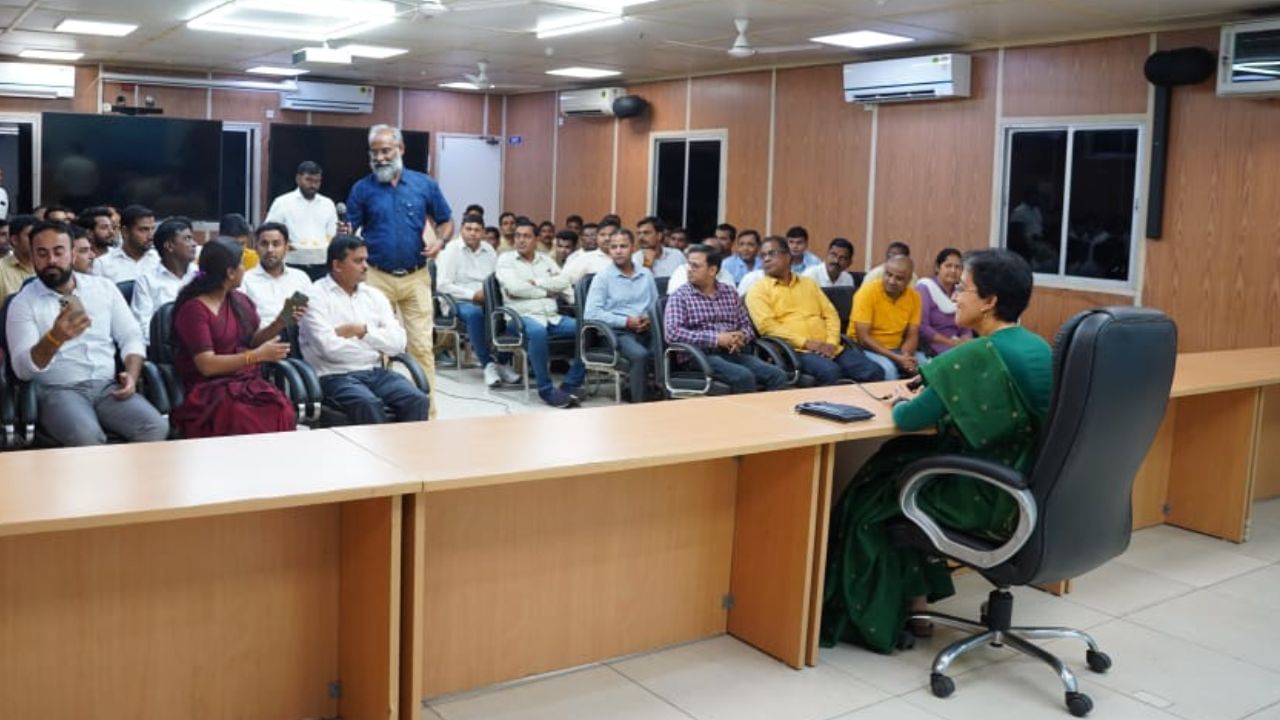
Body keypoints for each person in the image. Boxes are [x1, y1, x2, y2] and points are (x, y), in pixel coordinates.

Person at [821, 249, 1051, 654]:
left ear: (989, 301)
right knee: (902, 467)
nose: (955, 297)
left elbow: (908, 417)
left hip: (985, 493)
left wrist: (905, 400)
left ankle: (874, 621)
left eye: (963, 288)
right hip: (1029, 485)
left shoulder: (978, 355)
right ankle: (919, 606)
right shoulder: (1039, 347)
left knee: (874, 496)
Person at [5, 221, 169, 446]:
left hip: (107, 387)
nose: (51, 260)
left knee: (155, 427)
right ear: (32, 257)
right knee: (88, 438)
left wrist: (131, 375)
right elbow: (22, 370)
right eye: (42, 253)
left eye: (58, 252)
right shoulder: (23, 303)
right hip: (57, 391)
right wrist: (54, 338)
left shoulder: (103, 289)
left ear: (73, 253)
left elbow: (131, 336)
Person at [344, 123, 453, 419]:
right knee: (378, 348)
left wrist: (440, 241)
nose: (380, 158)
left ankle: (427, 415)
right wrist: (344, 236)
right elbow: (349, 231)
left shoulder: (424, 185)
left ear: (401, 149)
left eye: (386, 151)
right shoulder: (362, 189)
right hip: (376, 276)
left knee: (422, 347)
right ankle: (384, 413)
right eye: (374, 153)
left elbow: (446, 220)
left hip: (416, 277)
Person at [168, 238, 296, 438]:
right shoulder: (194, 310)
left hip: (245, 383)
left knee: (281, 408)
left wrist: (280, 321)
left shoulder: (240, 301)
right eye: (242, 264)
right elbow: (207, 365)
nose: (245, 269)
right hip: (210, 391)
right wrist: (256, 356)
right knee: (245, 417)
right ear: (230, 272)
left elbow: (252, 341)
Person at [299, 236, 429, 425]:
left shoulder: (374, 296)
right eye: (358, 261)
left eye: (366, 260)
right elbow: (329, 349)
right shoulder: (312, 296)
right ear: (337, 265)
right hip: (333, 376)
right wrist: (376, 350)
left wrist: (363, 332)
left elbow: (399, 343)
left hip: (374, 372)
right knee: (368, 403)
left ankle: (409, 446)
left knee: (417, 399)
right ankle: (377, 447)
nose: (366, 266)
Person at [745, 236, 882, 385]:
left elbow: (830, 314)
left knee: (874, 371)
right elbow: (768, 328)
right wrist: (807, 343)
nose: (766, 259)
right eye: (763, 255)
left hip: (830, 347)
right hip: (795, 352)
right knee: (831, 371)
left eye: (772, 253)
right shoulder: (758, 290)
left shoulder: (808, 283)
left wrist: (831, 343)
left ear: (788, 256)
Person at [664, 244, 787, 394]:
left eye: (695, 266)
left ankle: (769, 410)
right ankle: (746, 411)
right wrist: (716, 339)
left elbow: (747, 326)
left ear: (712, 270)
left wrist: (740, 336)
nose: (689, 269)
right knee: (743, 376)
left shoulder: (729, 293)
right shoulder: (680, 296)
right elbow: (672, 333)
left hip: (732, 353)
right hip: (699, 356)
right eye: (689, 265)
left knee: (777, 375)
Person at [494, 218, 585, 408]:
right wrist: (547, 291)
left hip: (552, 317)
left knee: (587, 330)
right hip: (520, 317)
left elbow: (564, 282)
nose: (521, 240)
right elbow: (514, 288)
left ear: (536, 239)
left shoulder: (546, 260)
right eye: (518, 236)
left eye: (526, 236)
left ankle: (571, 383)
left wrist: (538, 282)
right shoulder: (506, 260)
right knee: (537, 332)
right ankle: (546, 390)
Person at [435, 213, 519, 387]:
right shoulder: (451, 250)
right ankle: (487, 364)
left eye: (477, 230)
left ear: (483, 232)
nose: (472, 233)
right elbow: (442, 285)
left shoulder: (489, 250)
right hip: (458, 301)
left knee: (513, 312)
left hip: (488, 299)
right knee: (475, 314)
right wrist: (472, 295)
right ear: (461, 230)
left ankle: (501, 362)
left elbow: (497, 278)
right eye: (469, 229)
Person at [583, 229, 659, 403]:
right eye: (614, 247)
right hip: (616, 333)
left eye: (623, 246)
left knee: (666, 347)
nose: (618, 251)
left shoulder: (646, 275)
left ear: (633, 248)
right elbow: (591, 313)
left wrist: (648, 319)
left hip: (645, 328)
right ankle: (640, 404)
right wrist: (626, 322)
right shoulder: (603, 278)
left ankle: (660, 396)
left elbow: (655, 306)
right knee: (640, 355)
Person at [850, 254, 925, 380]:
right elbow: (863, 338)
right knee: (889, 370)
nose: (891, 281)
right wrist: (897, 358)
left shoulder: (914, 297)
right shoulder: (867, 292)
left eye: (899, 278)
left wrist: (905, 356)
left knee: (925, 366)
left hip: (898, 349)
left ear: (909, 280)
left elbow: (912, 334)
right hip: (866, 348)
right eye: (888, 275)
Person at [265, 160, 337, 279]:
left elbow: (332, 234)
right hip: (292, 264)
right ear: (298, 179)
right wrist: (284, 244)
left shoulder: (327, 204)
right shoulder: (283, 202)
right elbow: (270, 232)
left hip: (321, 265)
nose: (313, 185)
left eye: (317, 181)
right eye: (308, 180)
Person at [131, 217, 198, 343]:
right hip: (165, 347)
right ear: (169, 246)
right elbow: (143, 326)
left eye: (192, 238)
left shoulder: (199, 274)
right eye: (187, 239)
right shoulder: (147, 280)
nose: (194, 244)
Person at [240, 222, 313, 330]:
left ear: (287, 247)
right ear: (256, 248)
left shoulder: (301, 278)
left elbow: (312, 314)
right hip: (261, 338)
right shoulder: (245, 280)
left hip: (299, 336)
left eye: (276, 244)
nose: (270, 250)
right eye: (264, 244)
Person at [917, 248, 973, 356]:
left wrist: (966, 339)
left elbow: (966, 325)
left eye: (957, 267)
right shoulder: (925, 288)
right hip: (933, 346)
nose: (953, 270)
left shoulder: (960, 291)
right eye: (948, 266)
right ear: (938, 268)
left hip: (957, 344)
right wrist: (950, 342)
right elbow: (923, 327)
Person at [93, 204, 158, 283]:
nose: (151, 236)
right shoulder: (102, 265)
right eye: (144, 230)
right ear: (125, 231)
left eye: (153, 229)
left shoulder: (159, 261)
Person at [0, 214, 36, 298]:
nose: (36, 240)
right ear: (15, 240)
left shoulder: (49, 267)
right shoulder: (2, 270)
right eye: (30, 236)